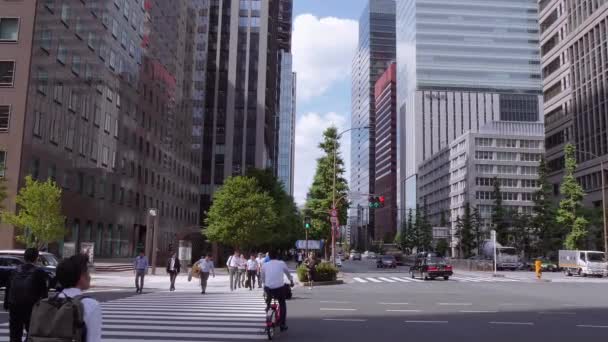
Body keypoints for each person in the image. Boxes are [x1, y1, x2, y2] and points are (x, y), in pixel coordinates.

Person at [3, 248, 48, 342]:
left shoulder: (15, 270)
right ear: (36, 258)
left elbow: (8, 287)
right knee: (32, 332)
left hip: (14, 305)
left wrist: (6, 303)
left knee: (15, 333)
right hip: (31, 306)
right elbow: (44, 292)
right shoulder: (39, 272)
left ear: (24, 257)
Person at [261, 250, 294, 332]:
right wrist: (291, 281)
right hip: (279, 288)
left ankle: (268, 307)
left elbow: (262, 278)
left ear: (269, 257)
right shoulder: (281, 263)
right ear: (277, 256)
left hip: (268, 289)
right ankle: (282, 324)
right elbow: (288, 274)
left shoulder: (264, 265)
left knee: (268, 300)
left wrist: (265, 284)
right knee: (282, 303)